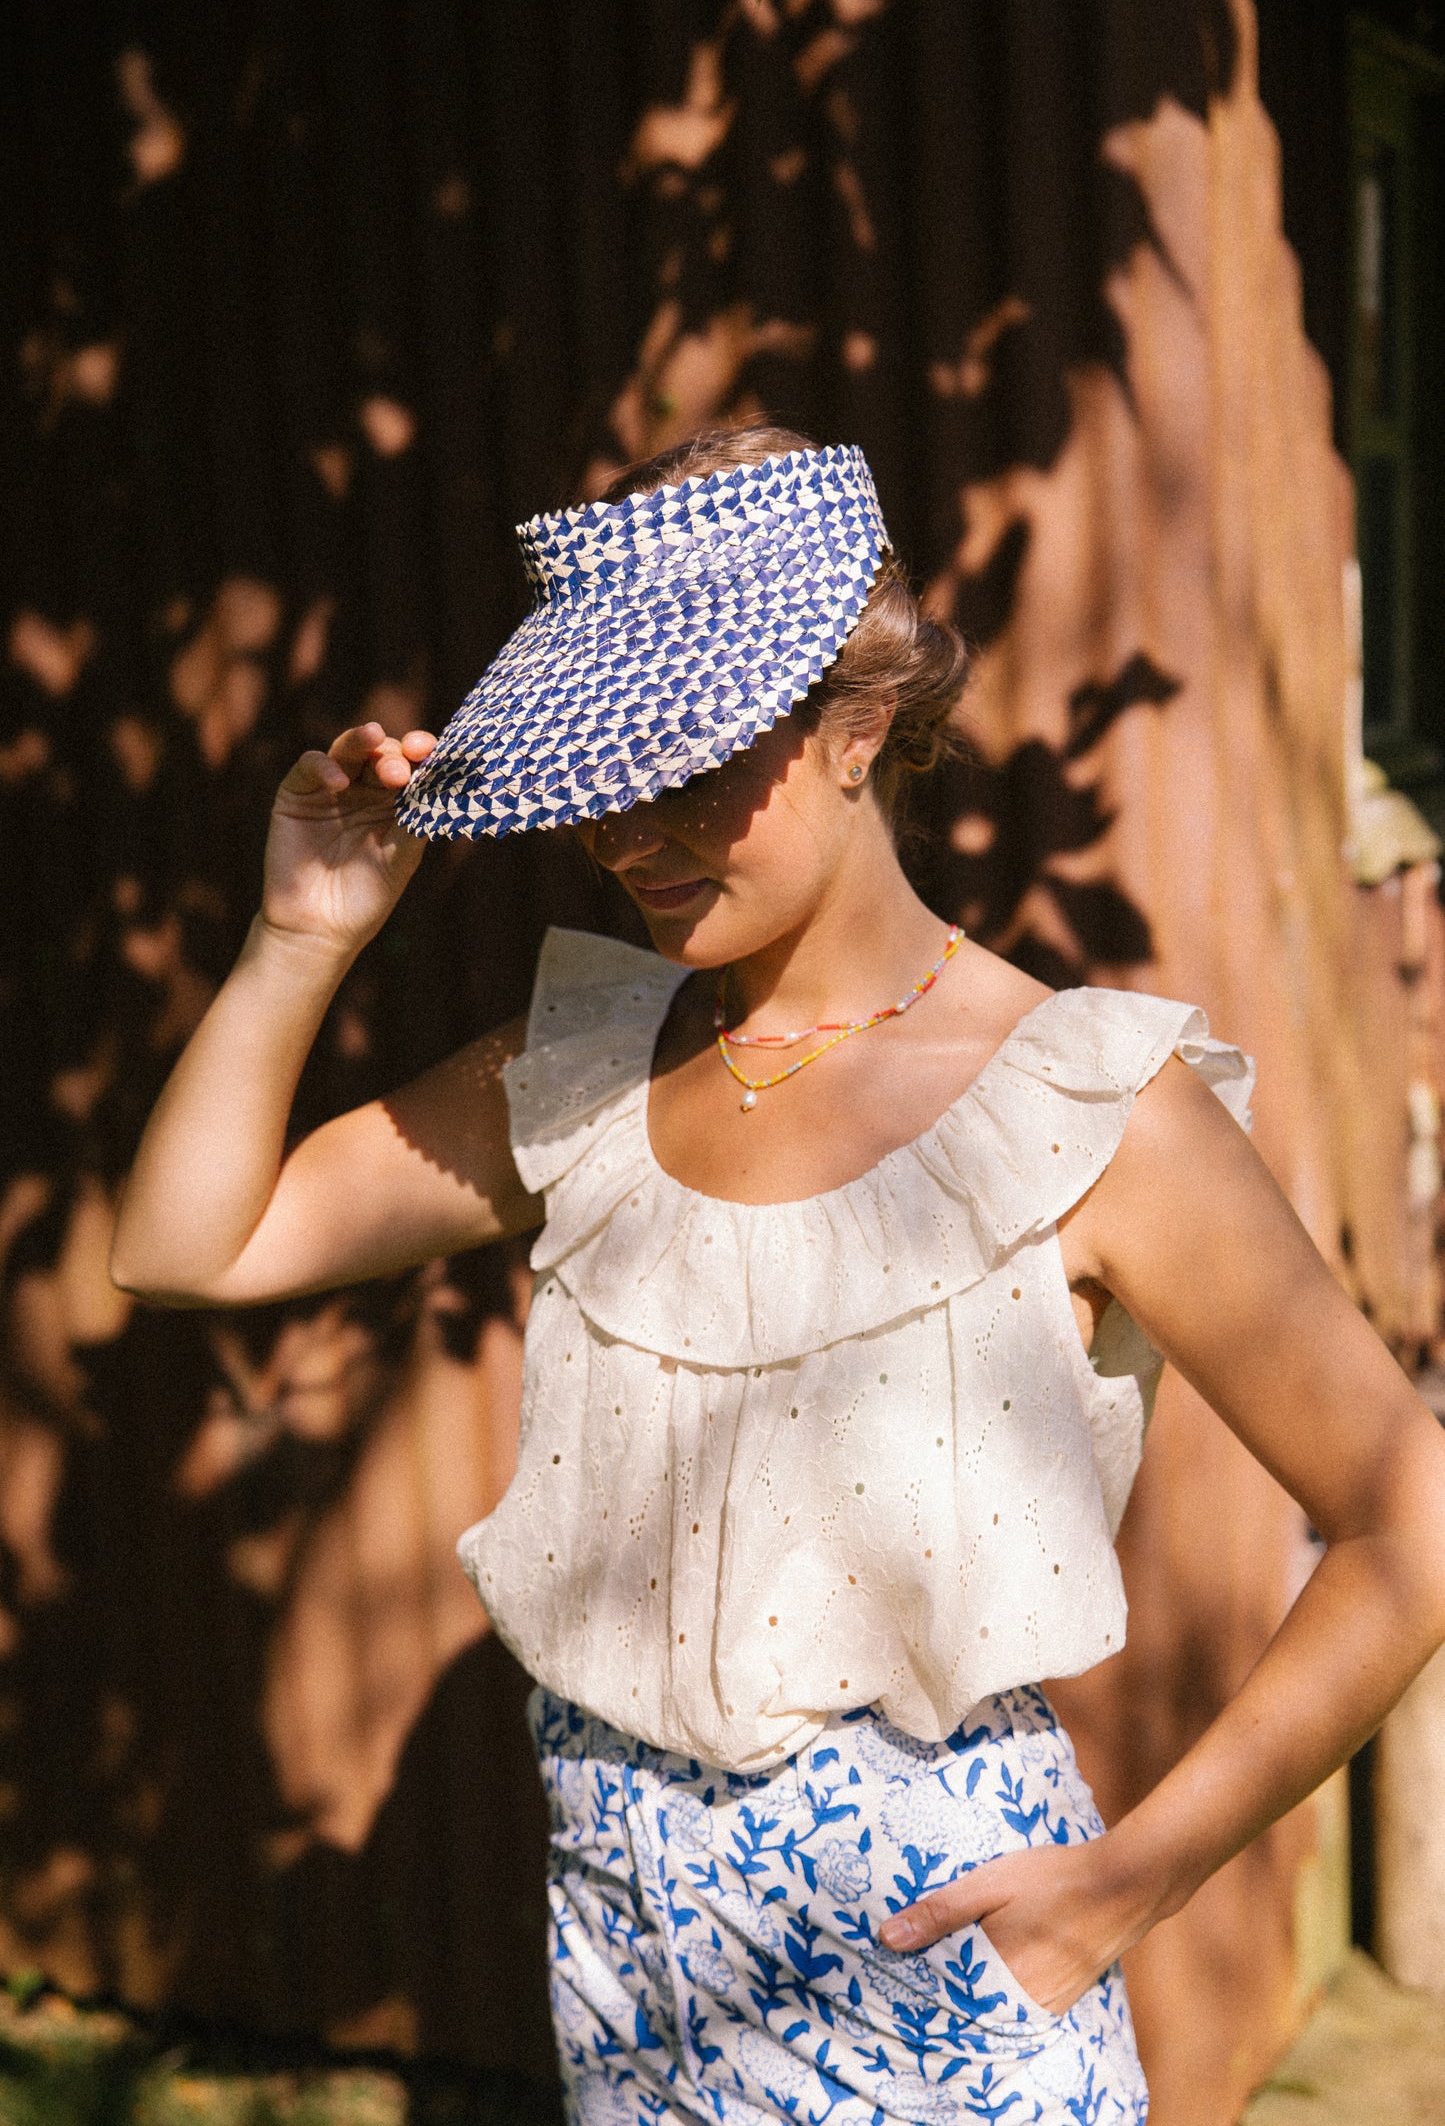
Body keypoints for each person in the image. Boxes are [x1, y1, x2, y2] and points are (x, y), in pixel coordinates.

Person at [111, 427, 1445, 2126]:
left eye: (680, 774)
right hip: (621, 1949)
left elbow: (1410, 1518)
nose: (626, 837)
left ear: (856, 729)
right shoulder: (585, 1066)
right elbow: (184, 1249)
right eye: (595, 787)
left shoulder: (1090, 1107)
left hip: (938, 1953)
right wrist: (302, 936)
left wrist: (1135, 1879)